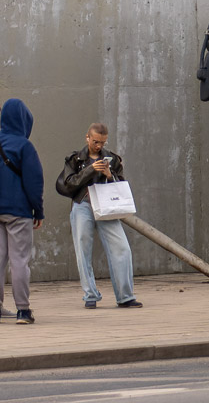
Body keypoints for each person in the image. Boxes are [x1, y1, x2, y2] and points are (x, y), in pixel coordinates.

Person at [56, 123, 141, 309]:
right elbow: (68, 184)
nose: (98, 146)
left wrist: (109, 174)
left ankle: (125, 296)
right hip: (82, 204)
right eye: (95, 141)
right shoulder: (75, 159)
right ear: (87, 137)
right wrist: (91, 169)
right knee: (82, 249)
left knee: (122, 248)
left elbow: (121, 184)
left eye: (102, 142)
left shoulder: (113, 160)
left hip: (107, 206)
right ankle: (90, 295)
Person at [0, 99, 43, 324]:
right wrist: (39, 211)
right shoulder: (24, 146)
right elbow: (34, 182)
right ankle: (23, 311)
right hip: (18, 212)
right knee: (19, 261)